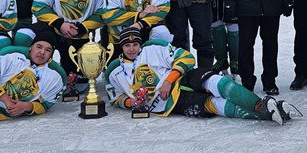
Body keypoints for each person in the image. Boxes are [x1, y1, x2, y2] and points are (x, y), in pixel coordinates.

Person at [103, 29, 291, 124]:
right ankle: (266, 115)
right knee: (213, 105)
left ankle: (259, 104)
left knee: (217, 82)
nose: (131, 48)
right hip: (170, 102)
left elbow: (185, 57)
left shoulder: (153, 48)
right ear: (121, 47)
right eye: (127, 46)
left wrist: (169, 80)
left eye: (135, 44)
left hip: (182, 78)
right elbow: (117, 98)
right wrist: (132, 104)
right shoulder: (114, 71)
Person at [33, 0, 107, 98]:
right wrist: (59, 23)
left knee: (80, 80)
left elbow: (103, 12)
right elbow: (39, 6)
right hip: (57, 32)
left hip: (83, 35)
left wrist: (84, 27)